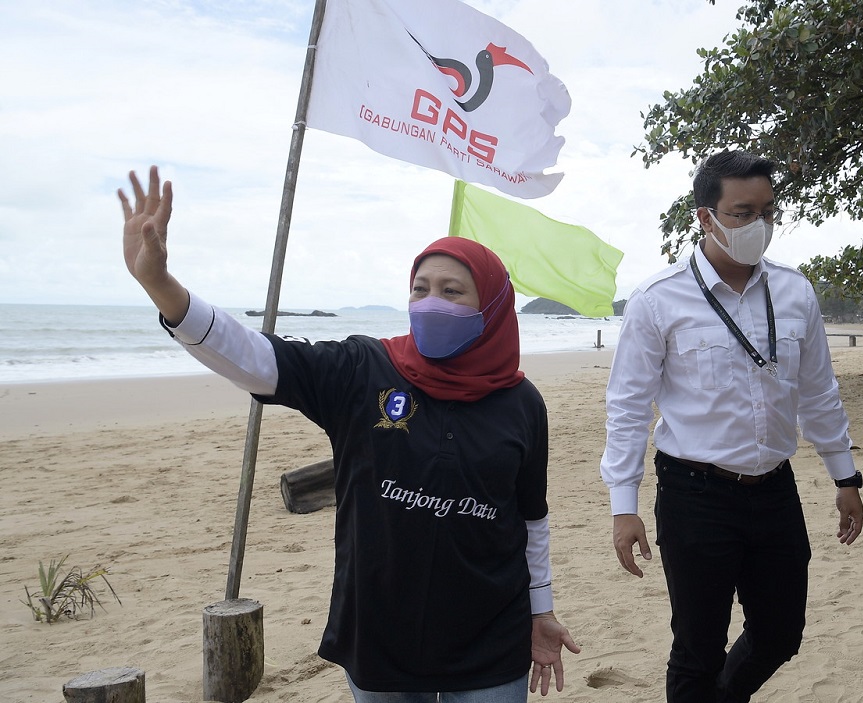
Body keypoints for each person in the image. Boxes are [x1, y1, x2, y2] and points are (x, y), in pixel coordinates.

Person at [119, 166, 579, 702]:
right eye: (420, 288)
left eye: (453, 292)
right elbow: (257, 359)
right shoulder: (365, 369)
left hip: (489, 640)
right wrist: (161, 287)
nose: (432, 302)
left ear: (492, 308)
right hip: (380, 634)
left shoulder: (521, 404)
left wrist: (541, 611)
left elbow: (531, 520)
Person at [600, 150, 863, 703]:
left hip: (774, 488)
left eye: (767, 211)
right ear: (706, 216)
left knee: (780, 633)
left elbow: (818, 391)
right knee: (696, 647)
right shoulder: (658, 299)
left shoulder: (795, 291)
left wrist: (846, 477)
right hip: (694, 493)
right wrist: (624, 506)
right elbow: (628, 407)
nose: (758, 225)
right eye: (742, 212)